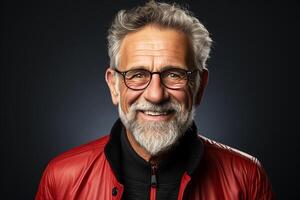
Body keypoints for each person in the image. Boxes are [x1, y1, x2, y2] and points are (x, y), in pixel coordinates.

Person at [36, 1, 274, 199]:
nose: (156, 95)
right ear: (114, 86)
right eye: (137, 75)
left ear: (199, 86)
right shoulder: (61, 178)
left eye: (174, 74)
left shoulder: (247, 178)